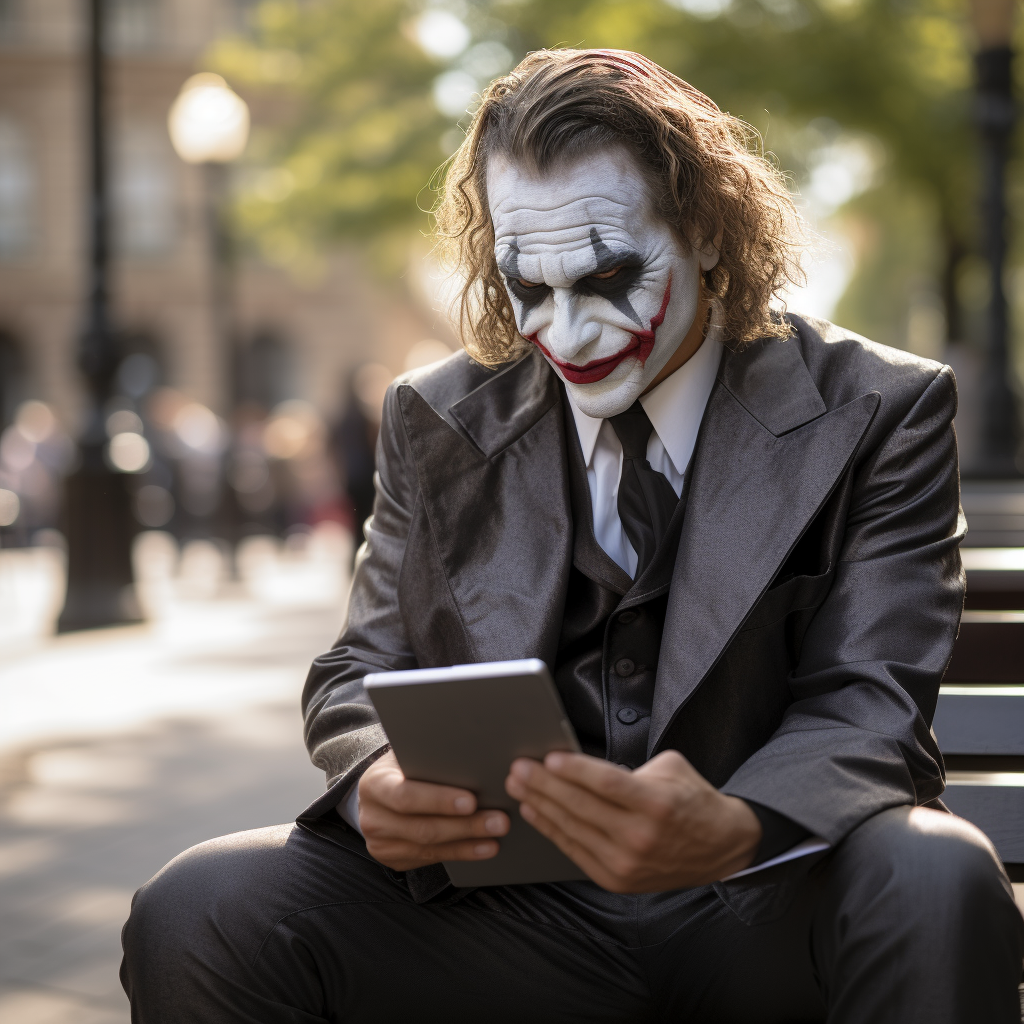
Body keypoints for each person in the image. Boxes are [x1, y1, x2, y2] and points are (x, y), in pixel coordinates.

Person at [120, 49, 1024, 1022]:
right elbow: (359, 668)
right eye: (528, 286)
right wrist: (374, 772)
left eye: (607, 278)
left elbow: (869, 700)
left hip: (770, 902)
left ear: (709, 231)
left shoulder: (882, 407)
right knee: (201, 904)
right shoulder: (435, 416)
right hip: (505, 925)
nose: (567, 332)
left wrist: (738, 822)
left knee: (936, 874)